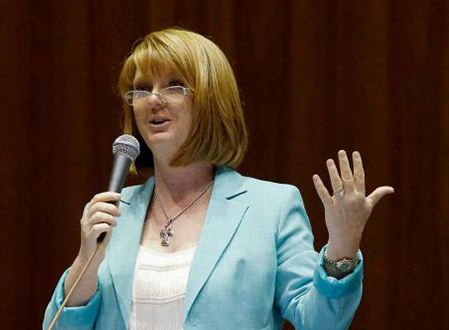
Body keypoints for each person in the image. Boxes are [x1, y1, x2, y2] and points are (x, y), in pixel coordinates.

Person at [43, 28, 394, 330]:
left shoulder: (269, 208)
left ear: (210, 99)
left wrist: (343, 248)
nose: (152, 99)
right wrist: (85, 261)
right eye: (141, 88)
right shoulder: (113, 212)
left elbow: (320, 322)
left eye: (175, 85)